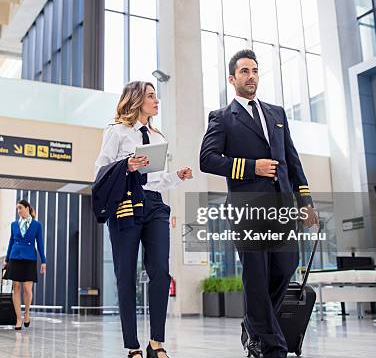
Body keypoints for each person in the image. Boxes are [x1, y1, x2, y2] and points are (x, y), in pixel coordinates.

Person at [199, 49, 318, 358]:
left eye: (254, 71)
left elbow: (292, 161)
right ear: (232, 78)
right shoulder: (222, 118)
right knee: (256, 274)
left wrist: (305, 200)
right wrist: (253, 167)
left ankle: (254, 325)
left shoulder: (276, 113)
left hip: (281, 206)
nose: (251, 76)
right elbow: (207, 159)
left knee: (285, 266)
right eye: (244, 72)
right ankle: (272, 345)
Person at [94, 81, 193, 358]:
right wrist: (126, 165)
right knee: (125, 274)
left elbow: (158, 180)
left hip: (156, 205)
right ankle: (132, 346)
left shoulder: (158, 136)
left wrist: (177, 176)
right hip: (126, 203)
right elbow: (100, 169)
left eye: (156, 96)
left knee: (160, 271)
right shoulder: (117, 131)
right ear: (136, 99)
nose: (156, 100)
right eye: (151, 96)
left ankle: (156, 343)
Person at [3, 199, 46, 330]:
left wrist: (43, 261)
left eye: (20, 208)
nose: (18, 211)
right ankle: (18, 318)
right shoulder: (14, 224)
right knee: (16, 287)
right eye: (17, 209)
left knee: (27, 289)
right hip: (15, 257)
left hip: (29, 258)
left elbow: (40, 243)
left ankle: (26, 312)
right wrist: (6, 259)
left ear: (27, 208)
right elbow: (11, 241)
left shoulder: (37, 225)